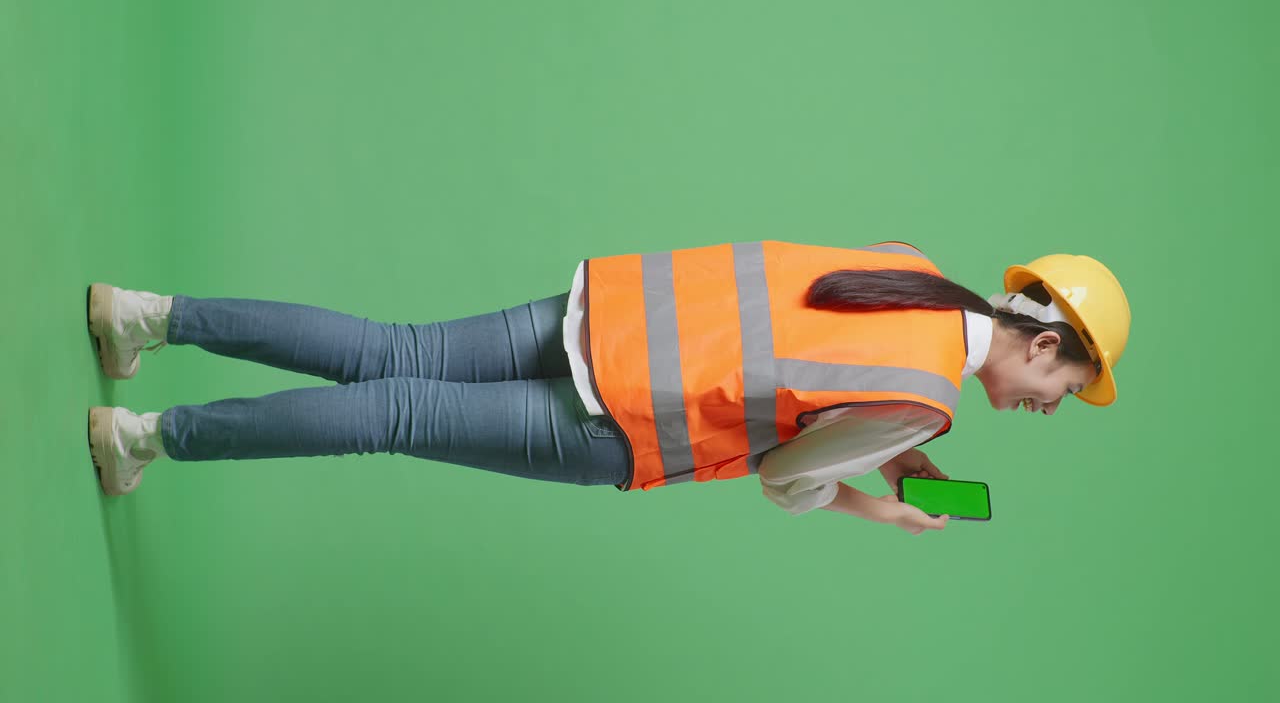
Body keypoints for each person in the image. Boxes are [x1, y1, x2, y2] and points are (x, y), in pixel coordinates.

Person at [86, 240, 1130, 535]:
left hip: (604, 314)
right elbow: (783, 477)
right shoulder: (925, 401)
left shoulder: (909, 270)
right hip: (624, 418)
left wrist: (876, 439)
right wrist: (874, 496)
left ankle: (144, 314)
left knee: (386, 350)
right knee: (394, 413)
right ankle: (141, 435)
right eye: (1065, 387)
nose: (1048, 407)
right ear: (1044, 349)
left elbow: (797, 356)